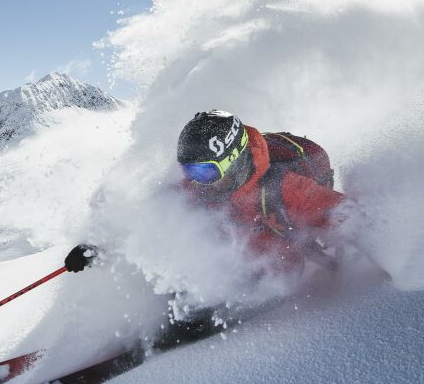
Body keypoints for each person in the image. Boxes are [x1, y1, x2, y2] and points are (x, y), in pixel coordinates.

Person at [65, 110, 349, 281]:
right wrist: (96, 248)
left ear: (234, 160)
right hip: (243, 230)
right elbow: (153, 219)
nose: (196, 182)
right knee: (189, 237)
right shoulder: (205, 185)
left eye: (204, 172)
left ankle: (210, 311)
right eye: (189, 171)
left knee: (253, 268)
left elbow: (353, 217)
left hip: (280, 247)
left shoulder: (284, 188)